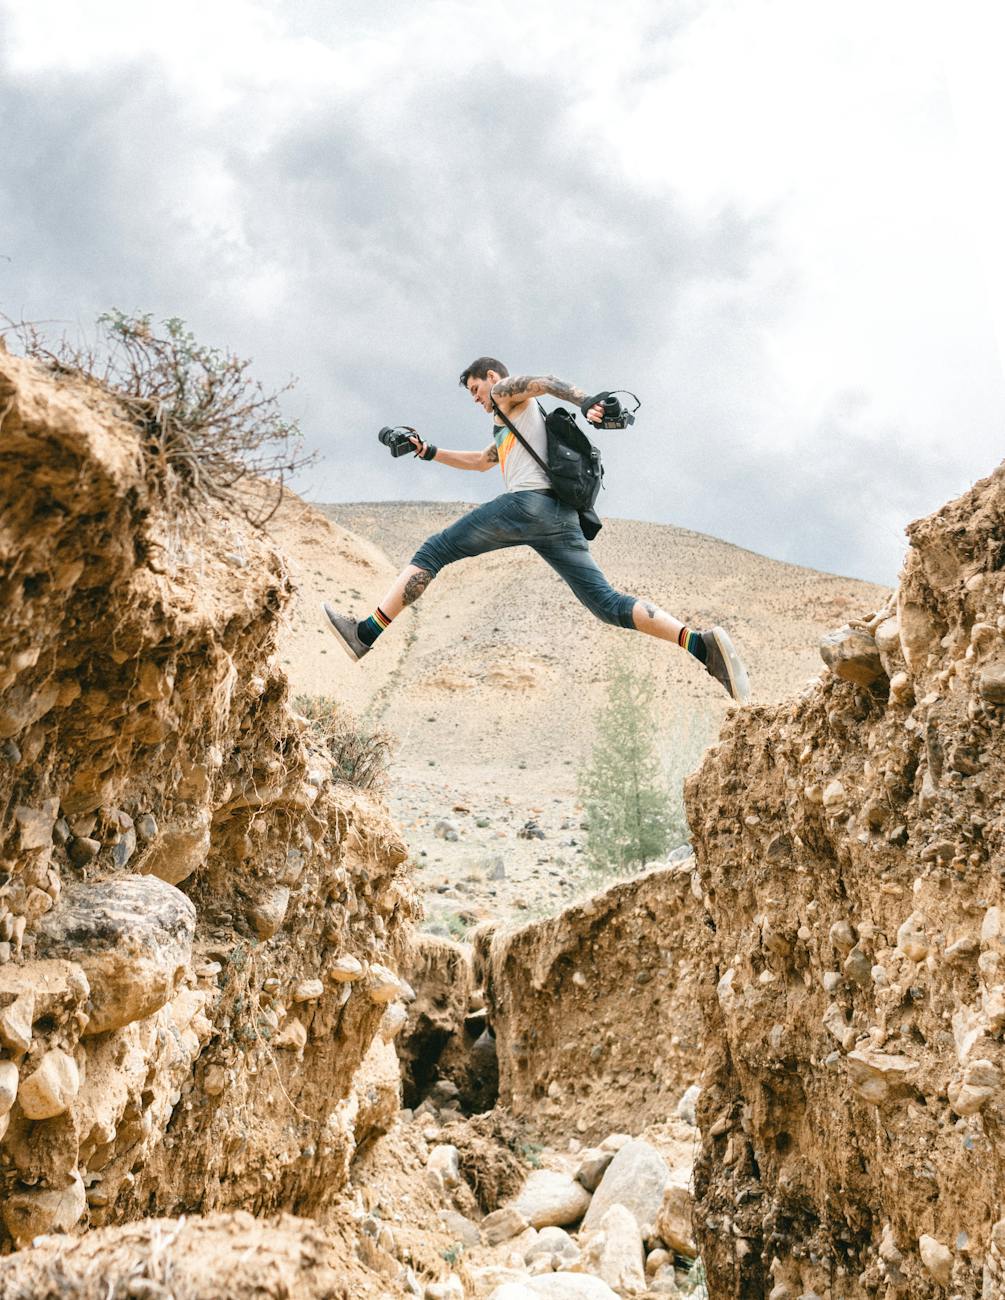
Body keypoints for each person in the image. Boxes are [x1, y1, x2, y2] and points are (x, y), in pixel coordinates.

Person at [322, 356, 750, 702]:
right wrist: (426, 450)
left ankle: (364, 634)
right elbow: (482, 460)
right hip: (560, 518)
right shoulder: (512, 424)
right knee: (606, 603)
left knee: (434, 551)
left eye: (475, 390)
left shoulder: (508, 394)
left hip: (527, 507)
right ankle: (700, 645)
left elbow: (543, 380)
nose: (477, 400)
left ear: (491, 377)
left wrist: (586, 401)